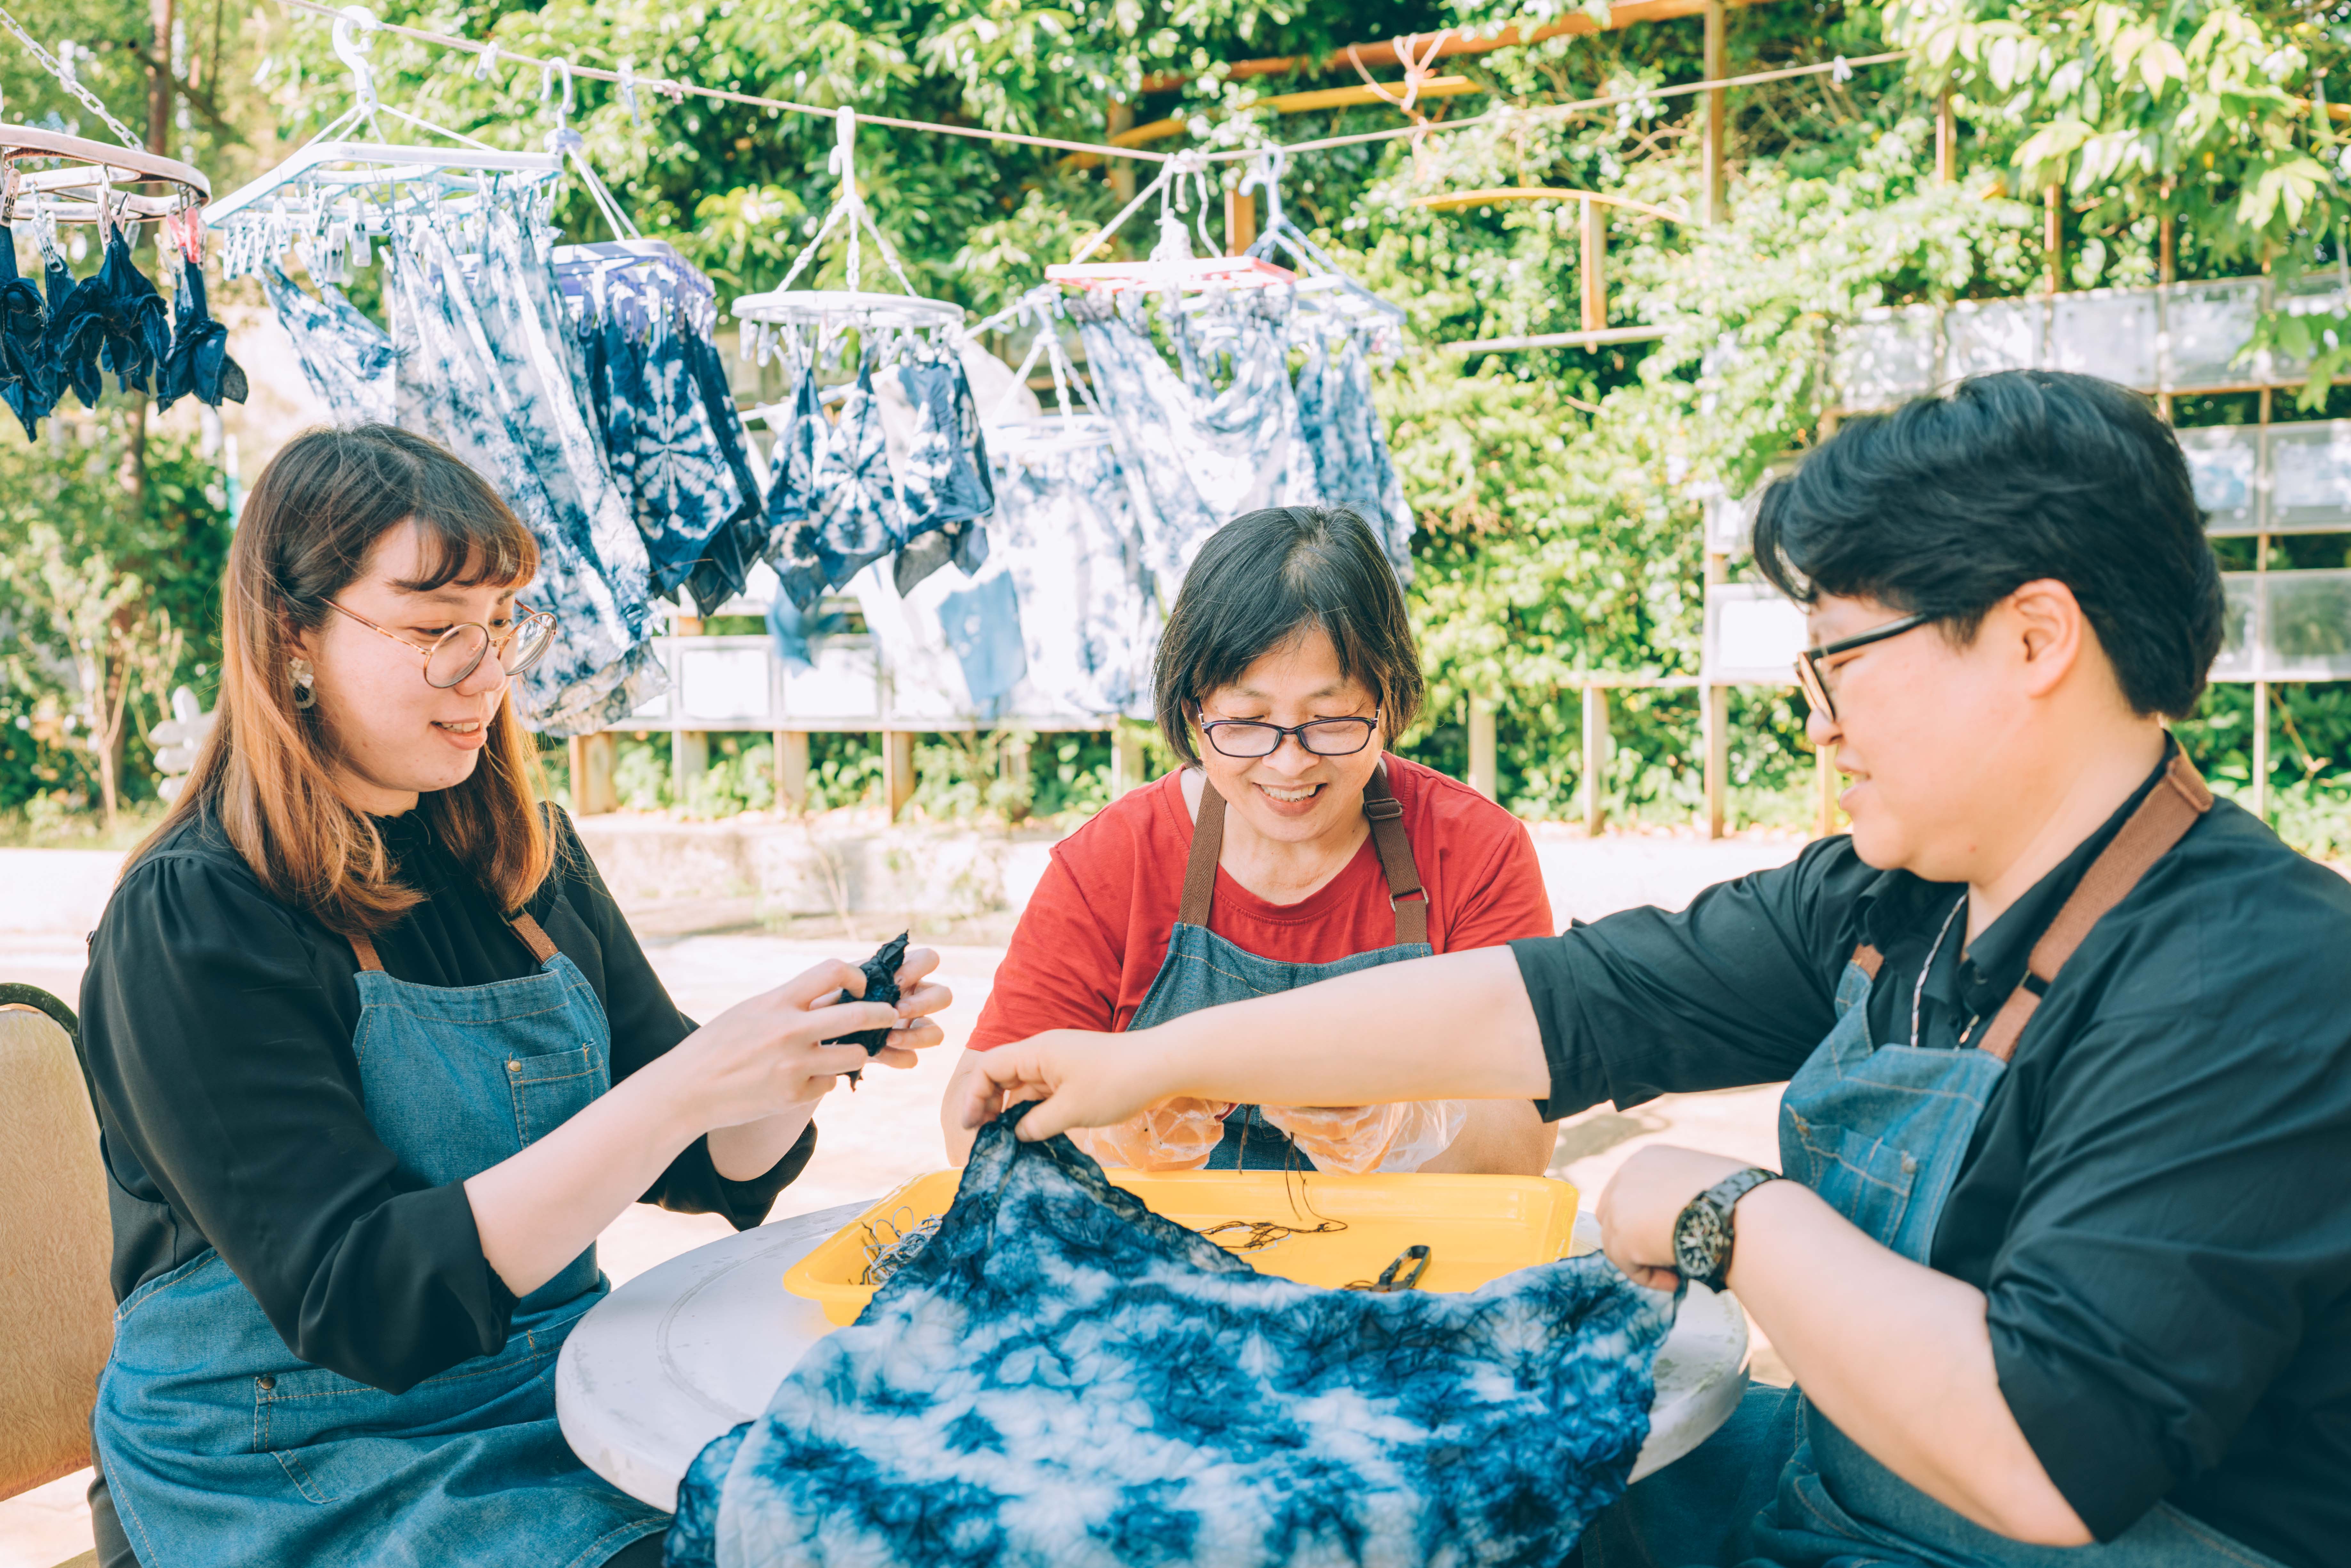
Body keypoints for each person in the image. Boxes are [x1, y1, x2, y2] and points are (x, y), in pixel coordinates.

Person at [958, 372, 2351, 1568]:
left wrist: (1726, 1209)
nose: (1818, 726)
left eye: (1838, 664)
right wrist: (1151, 1062)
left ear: (2035, 639)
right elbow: (1560, 1001)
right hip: (1853, 1488)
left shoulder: (2258, 977)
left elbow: (2052, 1448)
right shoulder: (1892, 898)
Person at [76, 426, 951, 1568]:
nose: (487, 676)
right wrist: (685, 1088)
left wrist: (791, 1062)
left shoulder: (526, 860)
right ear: (293, 633)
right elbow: (365, 1299)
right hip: (286, 1467)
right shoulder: (196, 919)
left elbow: (696, 1161)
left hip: (551, 1398)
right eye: (437, 633)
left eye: (499, 630)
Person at [941, 504, 1556, 1175]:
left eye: (1330, 720)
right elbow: (975, 1114)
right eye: (1245, 721)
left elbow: (1520, 1143)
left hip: (1400, 1265)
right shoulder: (1113, 861)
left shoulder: (1475, 850)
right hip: (1156, 1265)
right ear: (1191, 711)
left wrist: (1401, 1131)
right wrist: (1101, 1141)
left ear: (1389, 703)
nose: (1288, 764)